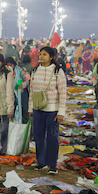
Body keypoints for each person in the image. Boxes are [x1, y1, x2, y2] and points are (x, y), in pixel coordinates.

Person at [28, 47, 67, 175]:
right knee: (38, 136)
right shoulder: (35, 70)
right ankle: (41, 162)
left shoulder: (57, 71)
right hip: (38, 109)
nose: (41, 56)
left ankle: (52, 165)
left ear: (51, 57)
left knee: (52, 137)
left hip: (52, 110)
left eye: (44, 54)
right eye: (40, 54)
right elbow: (32, 92)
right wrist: (30, 108)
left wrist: (61, 112)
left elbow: (63, 92)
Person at [0, 54, 14, 154]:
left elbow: (9, 91)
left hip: (4, 103)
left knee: (4, 129)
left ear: (2, 63)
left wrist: (10, 108)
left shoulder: (7, 73)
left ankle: (3, 149)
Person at [6, 57, 29, 123]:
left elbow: (26, 80)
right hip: (11, 93)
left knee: (24, 109)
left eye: (11, 65)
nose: (9, 67)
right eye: (8, 65)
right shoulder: (7, 72)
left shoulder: (19, 70)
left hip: (21, 93)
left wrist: (22, 85)